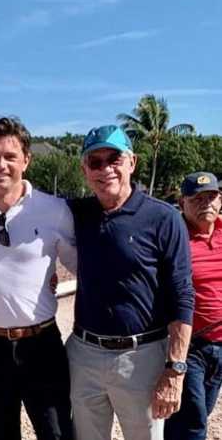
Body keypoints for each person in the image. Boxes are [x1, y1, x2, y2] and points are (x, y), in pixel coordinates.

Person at [66, 124, 194, 440]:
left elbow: (182, 294)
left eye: (114, 158)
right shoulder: (75, 213)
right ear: (85, 170)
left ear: (132, 162)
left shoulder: (163, 218)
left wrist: (175, 369)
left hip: (142, 357)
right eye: (95, 162)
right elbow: (21, 198)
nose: (105, 168)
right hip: (84, 354)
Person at [0, 116, 76, 440]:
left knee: (58, 433)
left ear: (27, 160)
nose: (0, 165)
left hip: (41, 345)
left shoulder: (54, 210)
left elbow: (80, 267)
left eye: (10, 157)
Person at [165, 172, 222, 440]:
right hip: (189, 346)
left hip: (220, 345)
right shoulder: (175, 239)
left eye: (211, 197)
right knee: (194, 422)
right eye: (197, 199)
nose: (206, 204)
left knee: (198, 413)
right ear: (182, 202)